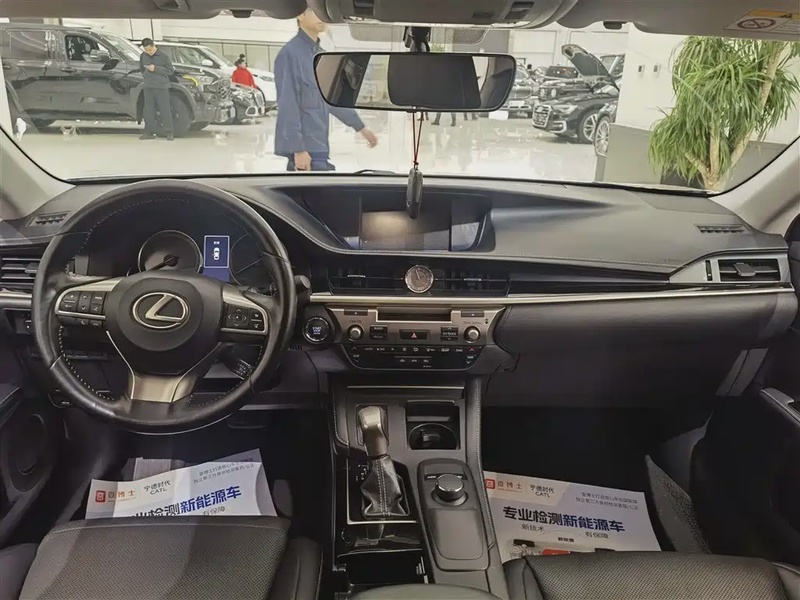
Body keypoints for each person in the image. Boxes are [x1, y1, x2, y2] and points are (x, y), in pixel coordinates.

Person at [274, 8, 378, 171]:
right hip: (305, 153)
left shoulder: (320, 55)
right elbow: (288, 104)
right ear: (300, 14)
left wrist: (361, 127)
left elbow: (331, 99)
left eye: (324, 12)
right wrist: (298, 149)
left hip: (319, 147)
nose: (322, 17)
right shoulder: (290, 54)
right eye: (315, 11)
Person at [139, 38, 175, 140]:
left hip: (161, 87)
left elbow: (170, 71)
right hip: (148, 86)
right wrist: (145, 75)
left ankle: (169, 132)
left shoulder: (163, 56)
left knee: (164, 110)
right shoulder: (143, 56)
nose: (149, 52)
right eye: (147, 51)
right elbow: (142, 68)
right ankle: (149, 132)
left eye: (150, 50)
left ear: (153, 46)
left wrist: (156, 69)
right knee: (149, 110)